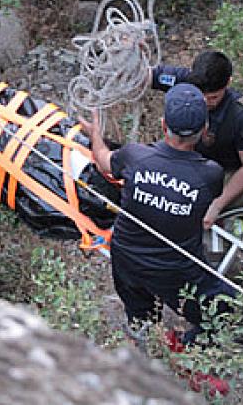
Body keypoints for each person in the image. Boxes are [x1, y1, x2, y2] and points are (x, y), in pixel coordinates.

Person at [79, 83, 234, 347]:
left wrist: (96, 134)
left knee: (142, 316)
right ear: (204, 130)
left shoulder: (135, 156)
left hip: (126, 260)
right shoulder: (210, 174)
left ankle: (148, 337)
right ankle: (187, 348)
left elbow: (103, 159)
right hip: (176, 270)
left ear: (163, 125)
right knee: (225, 310)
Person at [150, 50, 243, 229]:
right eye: (200, 95)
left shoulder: (242, 116)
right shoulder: (186, 82)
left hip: (226, 174)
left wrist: (218, 204)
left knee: (219, 238)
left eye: (213, 98)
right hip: (190, 164)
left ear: (228, 83)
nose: (204, 102)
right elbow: (146, 77)